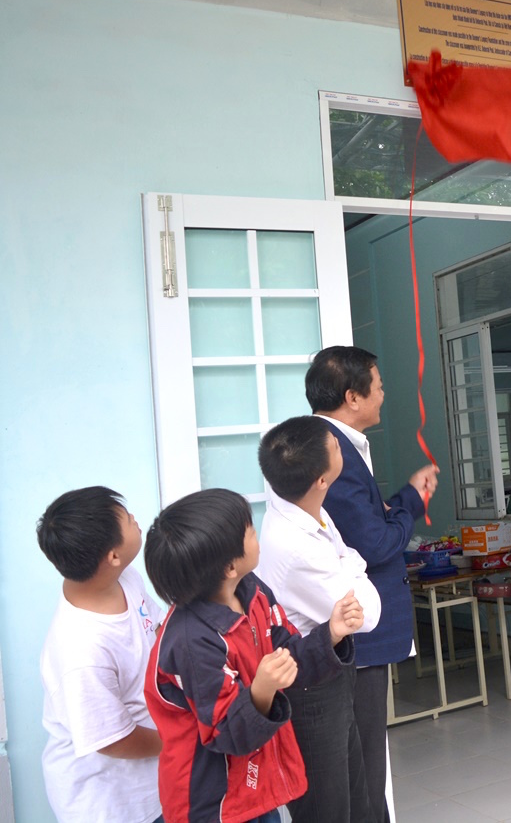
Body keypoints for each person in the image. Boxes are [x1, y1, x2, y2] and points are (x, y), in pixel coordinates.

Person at [143, 488, 363, 823]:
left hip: (255, 786)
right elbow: (224, 732)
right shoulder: (191, 640)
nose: (256, 532)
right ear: (230, 566)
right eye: (249, 531)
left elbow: (288, 656)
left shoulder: (253, 591)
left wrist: (330, 634)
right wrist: (262, 689)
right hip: (212, 801)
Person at [305, 345, 439, 822]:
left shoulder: (334, 445)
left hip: (357, 627)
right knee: (361, 763)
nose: (384, 395)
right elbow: (377, 543)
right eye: (378, 386)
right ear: (353, 397)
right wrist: (410, 507)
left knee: (363, 758)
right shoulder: (332, 452)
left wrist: (404, 499)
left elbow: (367, 524)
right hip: (358, 631)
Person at [257, 416, 383, 823]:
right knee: (327, 808)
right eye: (332, 442)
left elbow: (351, 571)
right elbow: (368, 614)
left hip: (328, 672)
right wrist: (354, 564)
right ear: (321, 480)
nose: (336, 440)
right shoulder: (297, 547)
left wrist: (349, 564)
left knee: (356, 799)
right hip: (310, 690)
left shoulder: (303, 506)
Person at [36, 486, 162, 823]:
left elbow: (156, 630)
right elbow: (113, 740)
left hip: (152, 784)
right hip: (109, 804)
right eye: (127, 519)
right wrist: (180, 741)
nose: (136, 519)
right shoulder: (81, 651)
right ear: (113, 556)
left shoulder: (122, 579)